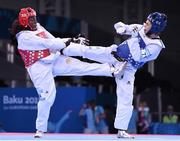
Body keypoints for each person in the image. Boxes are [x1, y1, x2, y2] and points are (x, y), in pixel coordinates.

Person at [9, 7, 125, 138]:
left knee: (81, 57)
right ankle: (40, 129)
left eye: (35, 18)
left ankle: (111, 64)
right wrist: (70, 40)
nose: (34, 21)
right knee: (47, 98)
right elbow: (48, 43)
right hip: (38, 67)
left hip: (53, 57)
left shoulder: (38, 27)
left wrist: (72, 41)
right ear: (24, 21)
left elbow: (53, 39)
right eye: (31, 19)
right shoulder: (24, 37)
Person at [62, 12, 167, 138]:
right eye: (146, 21)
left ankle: (121, 130)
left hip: (127, 68)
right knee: (86, 51)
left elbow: (137, 56)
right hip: (113, 53)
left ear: (155, 27)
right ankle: (61, 48)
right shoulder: (140, 28)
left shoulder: (156, 46)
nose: (145, 24)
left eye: (148, 23)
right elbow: (121, 26)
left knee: (126, 98)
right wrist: (121, 27)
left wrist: (136, 36)